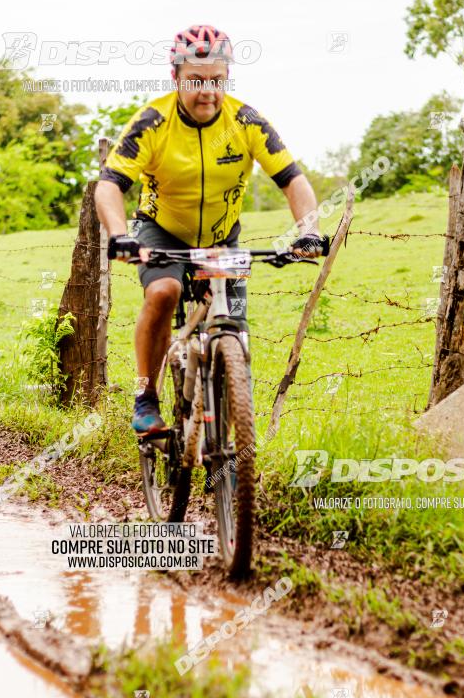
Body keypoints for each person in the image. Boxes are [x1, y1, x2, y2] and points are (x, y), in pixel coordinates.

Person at [95, 24, 322, 434]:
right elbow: (110, 185)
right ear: (176, 78)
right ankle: (146, 397)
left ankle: (235, 450)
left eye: (217, 80)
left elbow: (292, 180)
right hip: (160, 230)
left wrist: (308, 231)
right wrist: (118, 236)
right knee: (165, 291)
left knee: (233, 328)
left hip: (221, 238)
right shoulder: (152, 121)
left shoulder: (246, 120)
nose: (208, 92)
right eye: (196, 80)